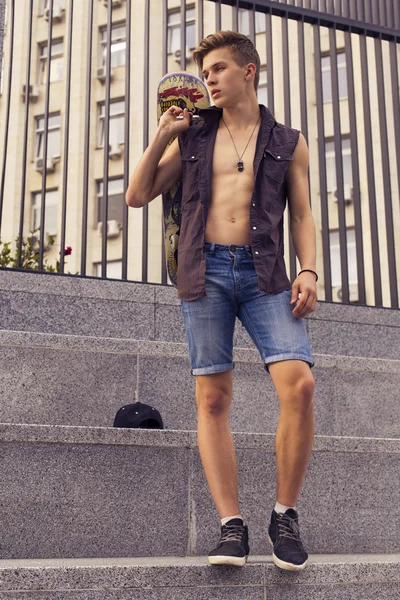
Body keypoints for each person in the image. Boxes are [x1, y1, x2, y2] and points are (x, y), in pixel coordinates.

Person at [126, 30, 317, 572]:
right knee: (212, 399)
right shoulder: (192, 135)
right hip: (204, 272)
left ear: (249, 71)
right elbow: (138, 196)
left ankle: (285, 514)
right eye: (204, 72)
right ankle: (232, 525)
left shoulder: (287, 139)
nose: (207, 79)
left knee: (300, 384)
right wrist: (164, 133)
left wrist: (310, 270)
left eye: (217, 70)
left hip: (265, 275)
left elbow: (302, 214)